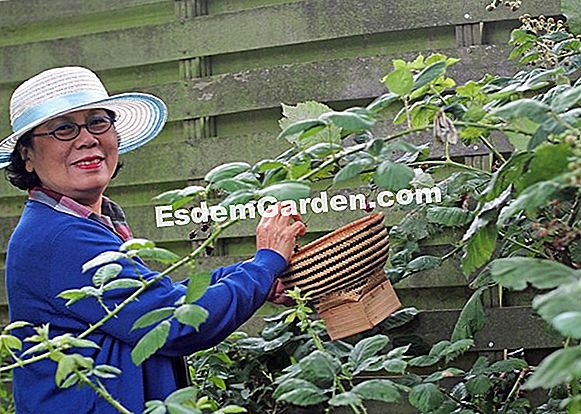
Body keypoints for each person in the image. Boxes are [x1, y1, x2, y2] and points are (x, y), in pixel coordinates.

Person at [1, 66, 306, 413]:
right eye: (63, 128)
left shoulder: (77, 223)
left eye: (98, 122)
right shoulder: (59, 237)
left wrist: (256, 274)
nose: (86, 138)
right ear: (26, 155)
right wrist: (266, 263)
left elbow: (156, 301)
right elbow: (177, 322)